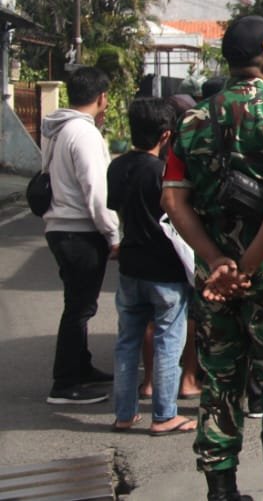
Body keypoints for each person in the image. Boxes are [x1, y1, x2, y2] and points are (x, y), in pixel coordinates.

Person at [160, 15, 263, 501]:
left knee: (220, 384)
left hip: (215, 283)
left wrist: (219, 263)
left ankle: (222, 491)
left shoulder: (189, 122)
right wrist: (248, 269)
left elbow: (173, 202)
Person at [109, 97, 195, 435]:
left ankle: (124, 413)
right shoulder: (163, 172)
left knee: (127, 342)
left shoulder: (117, 167)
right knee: (168, 342)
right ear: (166, 135)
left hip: (130, 265)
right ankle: (164, 415)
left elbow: (115, 208)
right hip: (165, 269)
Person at [41, 65, 119, 405]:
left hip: (61, 227)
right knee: (79, 307)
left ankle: (80, 366)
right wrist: (113, 234)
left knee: (79, 304)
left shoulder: (57, 128)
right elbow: (96, 191)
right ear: (102, 98)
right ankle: (65, 382)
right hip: (78, 231)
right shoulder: (84, 134)